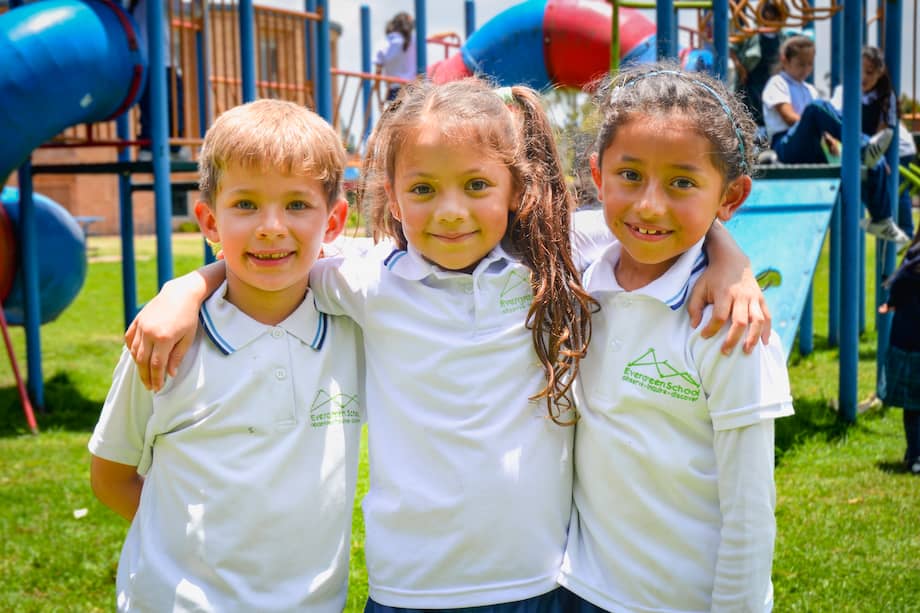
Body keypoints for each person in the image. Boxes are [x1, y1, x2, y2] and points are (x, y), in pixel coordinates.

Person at [123, 78, 771, 611]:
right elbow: (275, 258)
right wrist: (188, 286)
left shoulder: (557, 259)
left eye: (477, 186)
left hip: (541, 581)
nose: (451, 212)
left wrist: (728, 256)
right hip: (409, 588)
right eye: (424, 190)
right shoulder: (366, 279)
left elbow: (655, 226)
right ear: (394, 200)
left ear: (516, 189)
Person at [88, 99, 363, 611]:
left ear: (334, 221)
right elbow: (110, 477)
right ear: (209, 221)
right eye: (245, 205)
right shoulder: (165, 342)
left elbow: (427, 251)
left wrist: (188, 283)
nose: (271, 226)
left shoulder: (358, 322)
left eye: (298, 205)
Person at [559, 65, 794, 612]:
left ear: (731, 197)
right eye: (630, 176)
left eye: (682, 182)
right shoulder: (578, 265)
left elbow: (750, 508)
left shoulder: (730, 327)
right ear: (597, 175)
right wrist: (725, 246)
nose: (649, 205)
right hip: (577, 588)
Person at [762, 35, 907, 244]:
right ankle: (864, 146)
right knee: (817, 108)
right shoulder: (778, 83)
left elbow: (821, 126)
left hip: (811, 146)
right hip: (785, 147)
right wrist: (814, 122)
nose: (806, 70)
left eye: (810, 65)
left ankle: (881, 218)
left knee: (871, 162)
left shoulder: (809, 89)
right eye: (800, 64)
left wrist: (831, 140)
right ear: (785, 60)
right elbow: (788, 116)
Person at [831, 46, 916, 238]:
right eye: (859, 71)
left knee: (894, 191)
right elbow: (834, 118)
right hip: (867, 148)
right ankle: (883, 222)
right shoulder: (843, 91)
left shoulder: (886, 95)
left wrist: (883, 158)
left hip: (898, 149)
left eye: (869, 72)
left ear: (880, 73)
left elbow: (884, 132)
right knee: (871, 182)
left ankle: (905, 234)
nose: (863, 77)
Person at [879, 228, 920, 475]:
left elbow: (899, 287)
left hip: (908, 344)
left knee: (913, 407)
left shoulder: (911, 262)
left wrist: (892, 304)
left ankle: (914, 454)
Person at [129, 0, 190, 161]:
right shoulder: (135, 5)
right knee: (150, 106)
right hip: (147, 62)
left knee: (174, 105)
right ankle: (149, 146)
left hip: (164, 62)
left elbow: (191, 10)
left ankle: (174, 146)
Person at [732, 0, 786, 129]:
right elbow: (732, 48)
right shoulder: (753, 34)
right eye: (766, 14)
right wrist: (740, 68)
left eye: (772, 15)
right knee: (751, 106)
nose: (769, 18)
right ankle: (751, 133)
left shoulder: (781, 37)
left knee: (770, 105)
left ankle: (765, 134)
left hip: (772, 75)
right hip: (754, 74)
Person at [373, 11, 416, 105]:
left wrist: (378, 96)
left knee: (395, 117)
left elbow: (378, 73)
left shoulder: (386, 43)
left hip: (394, 90)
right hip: (413, 90)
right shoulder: (415, 40)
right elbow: (429, 38)